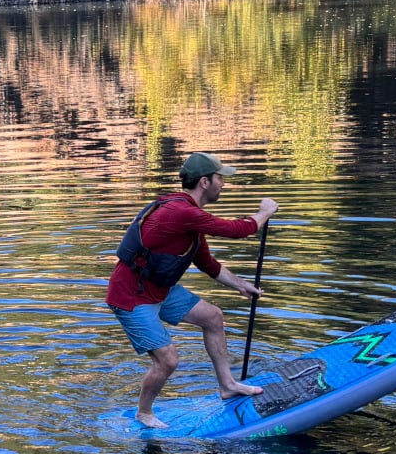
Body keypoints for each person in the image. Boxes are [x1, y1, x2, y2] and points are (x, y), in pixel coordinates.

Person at [108, 152, 279, 428]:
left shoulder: (189, 217)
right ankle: (144, 413)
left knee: (212, 317)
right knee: (168, 360)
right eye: (220, 178)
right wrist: (264, 213)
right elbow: (235, 230)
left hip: (160, 290)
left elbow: (206, 263)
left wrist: (240, 285)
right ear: (204, 182)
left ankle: (227, 385)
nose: (223, 184)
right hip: (131, 296)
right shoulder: (181, 213)